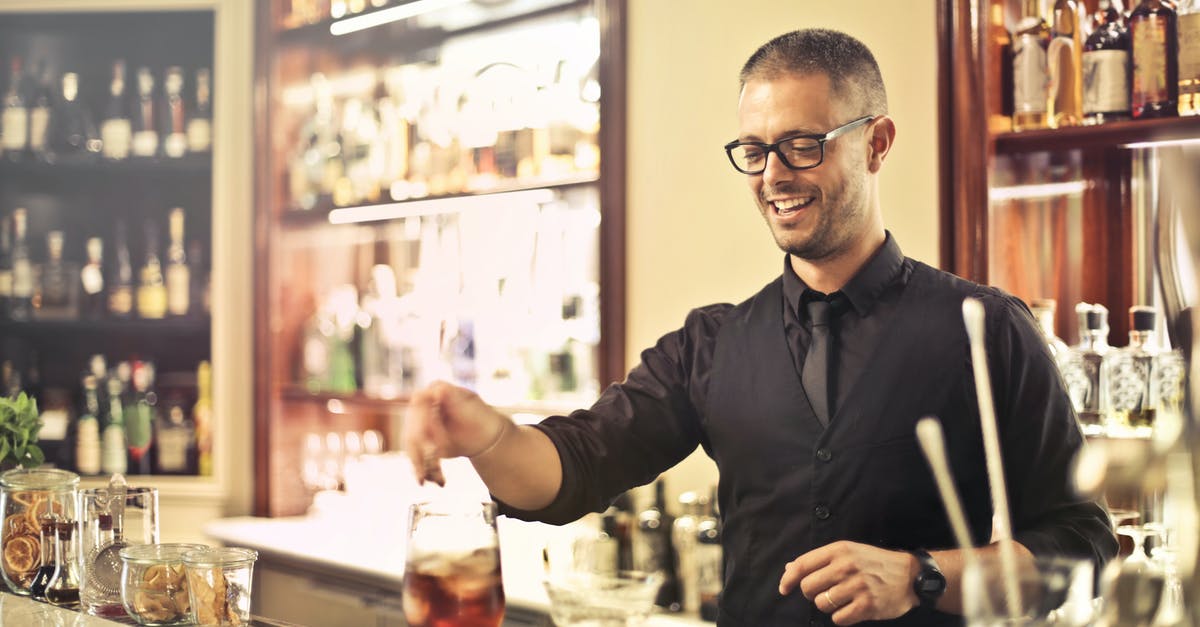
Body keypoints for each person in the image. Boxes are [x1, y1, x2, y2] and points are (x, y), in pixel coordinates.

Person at [403, 28, 1117, 626]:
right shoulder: (710, 346)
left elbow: (1080, 547)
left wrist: (920, 575)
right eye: (755, 149)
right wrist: (487, 434)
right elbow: (576, 467)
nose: (774, 174)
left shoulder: (985, 329)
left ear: (877, 142)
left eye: (803, 144)